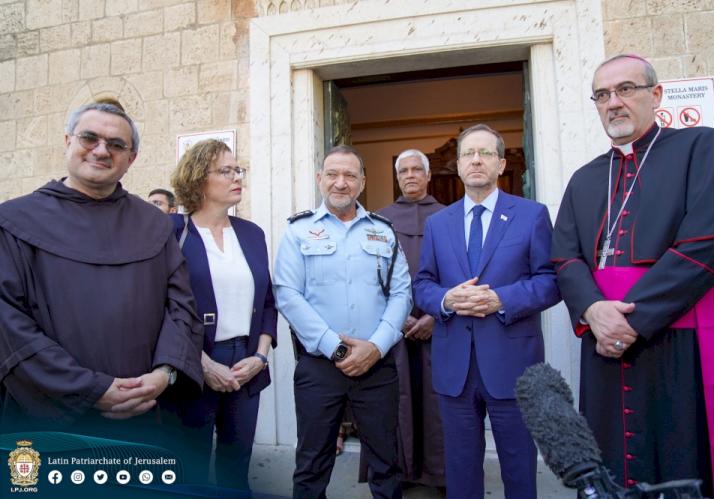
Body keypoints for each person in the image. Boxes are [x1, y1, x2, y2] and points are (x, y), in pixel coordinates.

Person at [551, 54, 714, 498]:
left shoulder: (703, 147)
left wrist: (631, 320)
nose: (613, 103)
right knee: (611, 470)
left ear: (656, 95)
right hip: (602, 341)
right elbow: (564, 258)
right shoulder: (584, 180)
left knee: (684, 457)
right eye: (602, 95)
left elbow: (710, 243)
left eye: (626, 89)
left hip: (677, 342)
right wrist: (594, 311)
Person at [0, 102, 203, 437]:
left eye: (116, 144)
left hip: (145, 409)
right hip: (47, 418)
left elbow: (181, 306)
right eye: (89, 138)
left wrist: (164, 373)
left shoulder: (153, 223)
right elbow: (8, 323)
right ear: (68, 141)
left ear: (131, 158)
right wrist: (88, 389)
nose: (101, 150)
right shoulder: (14, 221)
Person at [413, 124, 560, 499]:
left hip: (513, 363)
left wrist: (503, 300)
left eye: (486, 153)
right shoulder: (438, 224)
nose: (476, 160)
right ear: (457, 166)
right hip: (454, 369)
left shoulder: (532, 215)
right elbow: (423, 284)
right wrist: (447, 300)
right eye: (467, 154)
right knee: (460, 468)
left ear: (501, 164)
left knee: (518, 466)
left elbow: (551, 280)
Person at [274, 145, 412, 499]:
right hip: (319, 366)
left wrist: (376, 346)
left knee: (386, 460)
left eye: (350, 175)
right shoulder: (297, 232)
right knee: (312, 463)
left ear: (362, 182)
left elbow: (402, 294)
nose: (341, 183)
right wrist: (334, 347)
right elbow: (288, 294)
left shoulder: (384, 231)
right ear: (320, 179)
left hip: (377, 365)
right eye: (332, 174)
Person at [170, 139, 277, 494]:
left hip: (245, 360)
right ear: (199, 179)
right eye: (226, 171)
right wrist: (202, 364)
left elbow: (267, 304)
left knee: (237, 465)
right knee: (190, 466)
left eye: (238, 170)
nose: (237, 177)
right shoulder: (174, 232)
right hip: (192, 362)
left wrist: (260, 357)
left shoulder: (251, 233)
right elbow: (162, 308)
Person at [373, 149, 446, 489]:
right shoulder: (378, 222)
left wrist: (436, 315)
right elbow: (368, 277)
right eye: (404, 170)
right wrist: (398, 317)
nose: (411, 175)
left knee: (438, 399)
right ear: (397, 176)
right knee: (395, 397)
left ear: (428, 175)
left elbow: (461, 273)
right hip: (393, 329)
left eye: (417, 169)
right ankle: (398, 473)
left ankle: (440, 473)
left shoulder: (450, 217)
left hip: (442, 326)